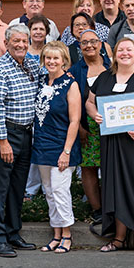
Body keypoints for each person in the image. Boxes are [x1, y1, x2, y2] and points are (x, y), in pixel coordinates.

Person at [86, 38, 134, 256]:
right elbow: (89, 103)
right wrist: (95, 115)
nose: (125, 53)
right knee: (116, 187)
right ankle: (119, 238)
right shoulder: (104, 78)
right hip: (113, 143)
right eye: (121, 50)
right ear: (114, 55)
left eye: (129, 49)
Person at [0, 24, 40, 257]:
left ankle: (13, 232)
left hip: (27, 133)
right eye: (15, 41)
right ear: (6, 43)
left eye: (24, 41)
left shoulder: (31, 65)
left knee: (18, 187)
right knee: (0, 188)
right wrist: (2, 141)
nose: (20, 45)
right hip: (6, 134)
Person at [32, 42, 82, 254]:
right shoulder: (41, 81)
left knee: (61, 191)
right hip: (42, 144)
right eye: (48, 58)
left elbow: (75, 120)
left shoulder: (71, 85)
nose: (51, 62)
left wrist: (66, 151)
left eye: (56, 58)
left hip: (62, 145)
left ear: (64, 60)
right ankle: (56, 234)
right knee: (50, 192)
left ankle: (67, 234)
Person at [68, 29, 111, 224]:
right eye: (84, 43)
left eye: (93, 41)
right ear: (79, 47)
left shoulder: (112, 65)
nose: (89, 46)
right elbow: (72, 102)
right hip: (87, 127)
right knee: (89, 168)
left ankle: (113, 204)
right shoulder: (76, 71)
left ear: (101, 44)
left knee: (112, 166)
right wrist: (80, 128)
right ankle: (98, 209)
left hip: (113, 125)